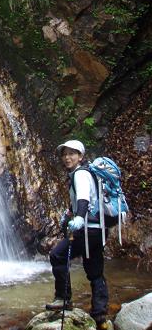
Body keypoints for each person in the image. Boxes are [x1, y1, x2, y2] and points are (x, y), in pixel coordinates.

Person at [45, 139, 109, 330]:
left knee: (57, 255)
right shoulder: (87, 173)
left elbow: (83, 198)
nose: (67, 157)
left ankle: (64, 299)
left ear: (80, 156)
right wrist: (70, 214)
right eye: (64, 154)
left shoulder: (80, 174)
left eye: (72, 153)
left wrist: (79, 217)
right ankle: (100, 316)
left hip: (87, 230)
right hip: (99, 229)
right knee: (95, 271)